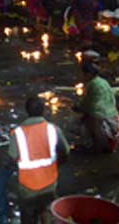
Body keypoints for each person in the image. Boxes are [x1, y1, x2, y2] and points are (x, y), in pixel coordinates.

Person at [8, 96, 70, 224]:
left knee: (28, 216)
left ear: (27, 111)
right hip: (49, 184)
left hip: (28, 187)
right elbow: (65, 152)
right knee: (47, 212)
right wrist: (56, 165)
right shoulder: (53, 129)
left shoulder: (17, 133)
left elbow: (12, 157)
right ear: (44, 111)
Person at [73, 62, 119, 153]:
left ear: (88, 74)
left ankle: (97, 148)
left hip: (99, 115)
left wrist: (78, 107)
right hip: (113, 112)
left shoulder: (92, 84)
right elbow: (111, 98)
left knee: (87, 124)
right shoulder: (103, 81)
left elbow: (88, 102)